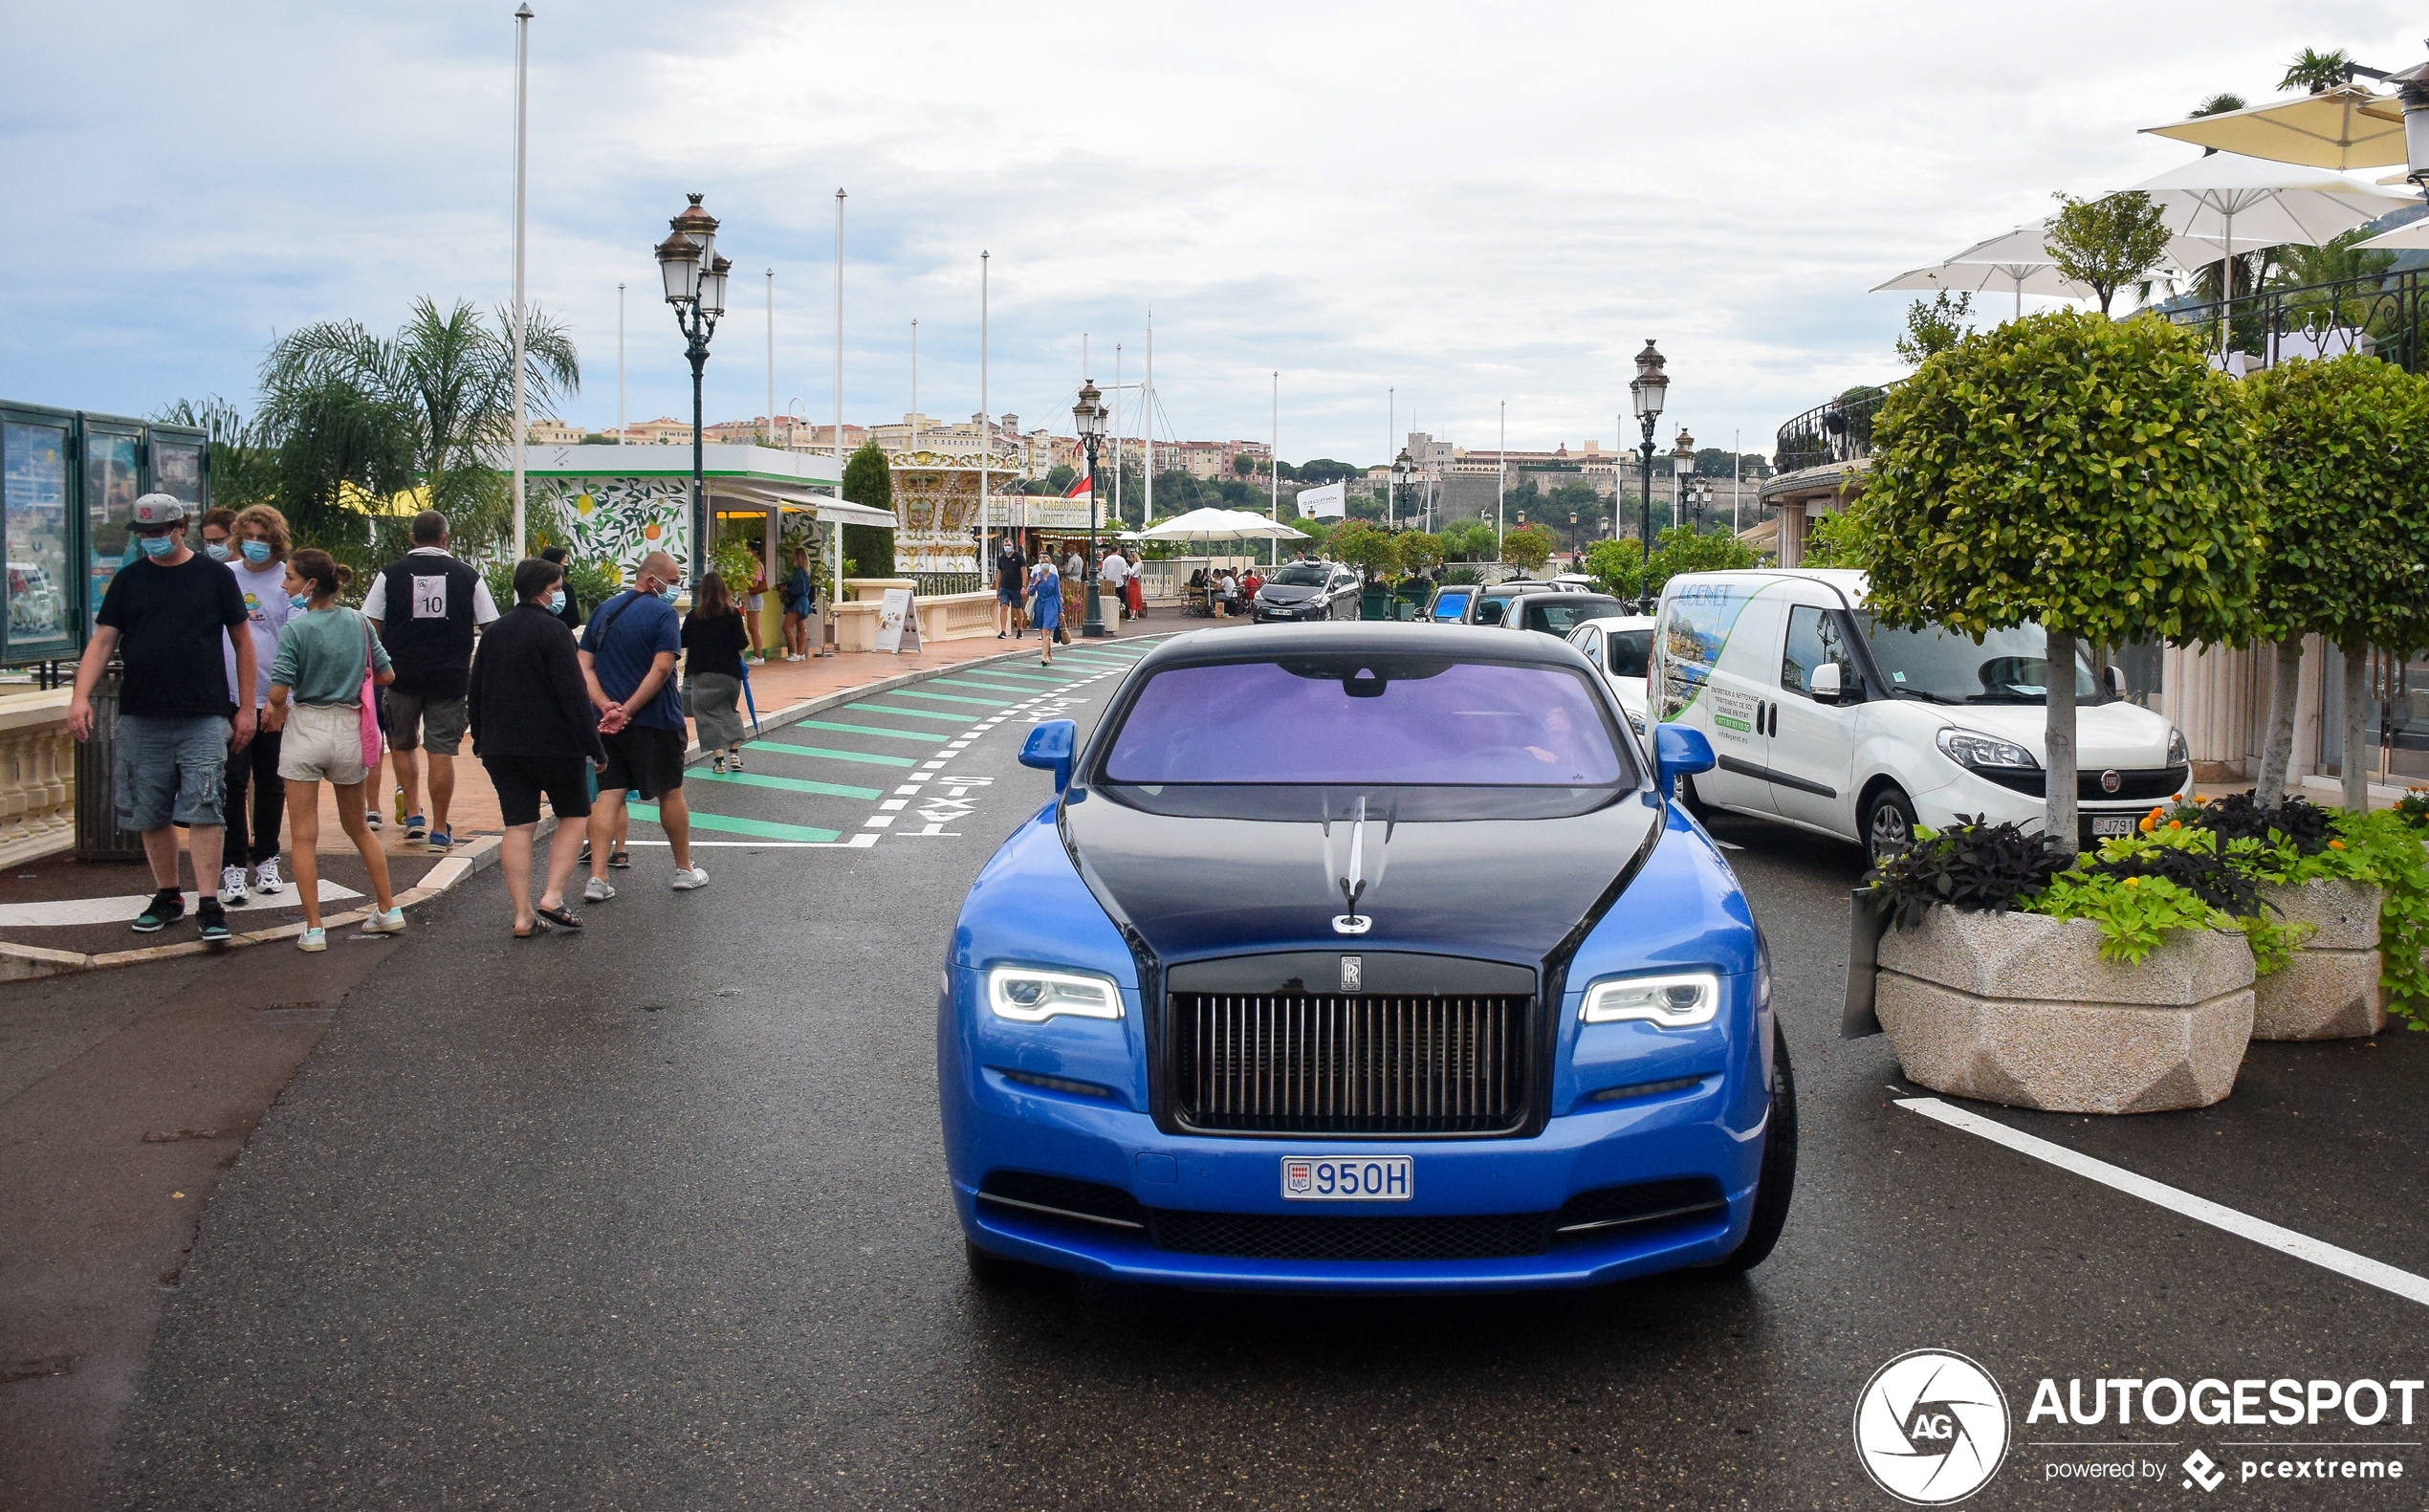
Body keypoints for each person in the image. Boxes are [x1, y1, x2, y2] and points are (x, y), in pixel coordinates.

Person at [68, 494, 254, 942]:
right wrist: (80, 697)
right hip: (142, 712)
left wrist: (246, 707)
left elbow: (243, 642)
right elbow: (102, 641)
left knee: (206, 804)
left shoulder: (214, 577)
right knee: (149, 810)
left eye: (159, 531)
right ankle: (168, 894)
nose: (151, 540)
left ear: (180, 527)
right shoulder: (129, 581)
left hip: (203, 712)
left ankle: (209, 902)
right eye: (144, 534)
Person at [263, 549, 404, 953]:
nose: (285, 584)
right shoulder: (359, 622)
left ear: (311, 584)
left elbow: (277, 693)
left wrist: (276, 706)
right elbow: (387, 674)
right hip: (350, 729)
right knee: (358, 827)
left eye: (290, 577)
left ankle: (314, 928)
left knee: (304, 836)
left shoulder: (296, 629)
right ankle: (388, 908)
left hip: (307, 727)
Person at [468, 557, 603, 938]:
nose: (561, 594)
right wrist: (594, 746)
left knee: (519, 825)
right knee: (575, 814)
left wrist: (480, 738)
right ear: (545, 589)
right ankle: (553, 896)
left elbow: (475, 689)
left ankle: (523, 915)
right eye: (558, 587)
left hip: (501, 747)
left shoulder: (494, 633)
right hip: (555, 745)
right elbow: (573, 694)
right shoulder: (556, 632)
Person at [363, 509, 498, 853]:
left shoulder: (389, 575)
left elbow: (369, 625)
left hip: (400, 676)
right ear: (445, 538)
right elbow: (491, 628)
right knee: (441, 751)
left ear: (411, 538)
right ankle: (440, 829)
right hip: (450, 678)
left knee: (403, 744)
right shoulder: (468, 575)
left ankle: (413, 816)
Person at [580, 550, 707, 898]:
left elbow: (584, 665)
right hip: (656, 720)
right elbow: (662, 667)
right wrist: (630, 709)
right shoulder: (664, 614)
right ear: (653, 580)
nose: (676, 589)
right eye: (675, 581)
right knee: (670, 791)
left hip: (607, 724)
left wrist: (606, 707)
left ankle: (598, 878)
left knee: (608, 793)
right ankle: (684, 868)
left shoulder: (604, 611)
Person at [217, 504, 296, 906]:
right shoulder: (225, 577)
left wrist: (283, 701)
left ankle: (266, 857)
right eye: (248, 536)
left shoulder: (288, 581)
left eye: (263, 538)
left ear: (276, 541)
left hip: (274, 698)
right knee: (231, 781)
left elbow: (295, 643)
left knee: (271, 782)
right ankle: (231, 865)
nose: (255, 544)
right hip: (229, 697)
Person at [682, 571, 752, 774]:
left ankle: (719, 761)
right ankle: (735, 757)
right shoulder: (733, 615)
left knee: (705, 716)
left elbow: (682, 641)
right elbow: (742, 644)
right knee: (729, 711)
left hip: (703, 674)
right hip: (729, 675)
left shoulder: (694, 617)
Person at [1026, 553, 1061, 667]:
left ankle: (1043, 657)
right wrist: (1035, 583)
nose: (1045, 564)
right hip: (1040, 603)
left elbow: (1057, 594)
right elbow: (1030, 592)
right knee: (1042, 632)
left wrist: (1060, 610)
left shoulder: (1054, 577)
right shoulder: (1037, 576)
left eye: (1047, 562)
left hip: (1051, 604)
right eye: (1043, 563)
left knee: (1047, 630)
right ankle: (1049, 651)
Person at [780, 546, 815, 660]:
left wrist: (786, 589)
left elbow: (798, 589)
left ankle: (794, 652)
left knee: (786, 627)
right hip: (803, 602)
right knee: (801, 627)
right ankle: (801, 653)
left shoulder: (799, 572)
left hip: (797, 602)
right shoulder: (804, 572)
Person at [540, 544, 584, 633]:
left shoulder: (532, 586)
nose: (565, 568)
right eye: (563, 564)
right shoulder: (567, 589)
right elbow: (573, 621)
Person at [994, 537, 1024, 639]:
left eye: (1009, 545)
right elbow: (999, 574)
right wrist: (997, 589)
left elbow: (1024, 572)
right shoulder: (1002, 558)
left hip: (1016, 587)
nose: (1007, 547)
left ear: (1012, 545)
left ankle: (1020, 629)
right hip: (1004, 587)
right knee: (1003, 606)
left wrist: (1024, 586)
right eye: (1005, 545)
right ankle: (1003, 630)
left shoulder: (1019, 557)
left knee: (1017, 608)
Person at [1100, 545, 1132, 622]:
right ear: (1118, 550)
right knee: (1123, 600)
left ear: (1111, 550)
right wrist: (1124, 582)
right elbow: (1124, 573)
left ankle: (1108, 614)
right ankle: (1128, 615)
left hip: (1109, 583)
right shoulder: (1121, 560)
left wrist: (1106, 579)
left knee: (1109, 600)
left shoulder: (1106, 560)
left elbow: (1103, 573)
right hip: (1119, 582)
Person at [1124, 547, 1147, 620]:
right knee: (1133, 597)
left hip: (1133, 581)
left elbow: (1132, 573)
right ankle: (1134, 614)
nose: (1131, 560)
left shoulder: (1137, 564)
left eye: (1131, 558)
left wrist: (1127, 567)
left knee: (1133, 597)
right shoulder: (1137, 564)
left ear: (1134, 558)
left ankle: (1133, 614)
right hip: (1133, 581)